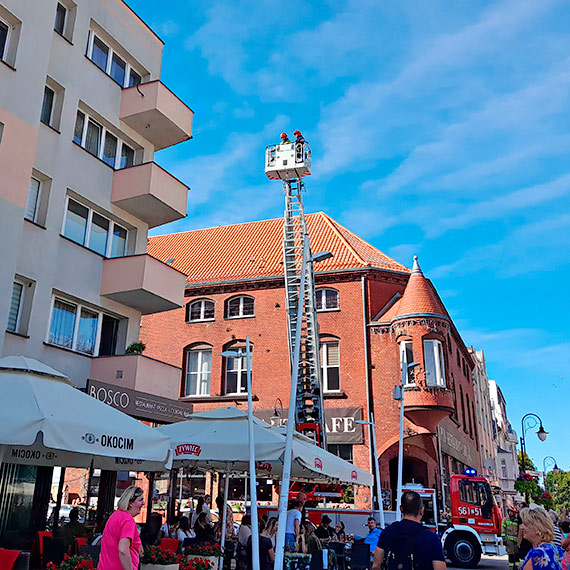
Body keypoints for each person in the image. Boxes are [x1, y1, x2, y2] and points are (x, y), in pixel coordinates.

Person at [372, 491, 446, 570]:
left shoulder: (387, 532)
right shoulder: (431, 537)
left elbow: (376, 566)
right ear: (422, 511)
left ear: (401, 509)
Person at [98, 485, 144, 570]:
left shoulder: (116, 516)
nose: (143, 503)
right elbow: (123, 550)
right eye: (140, 500)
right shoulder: (128, 520)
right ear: (130, 503)